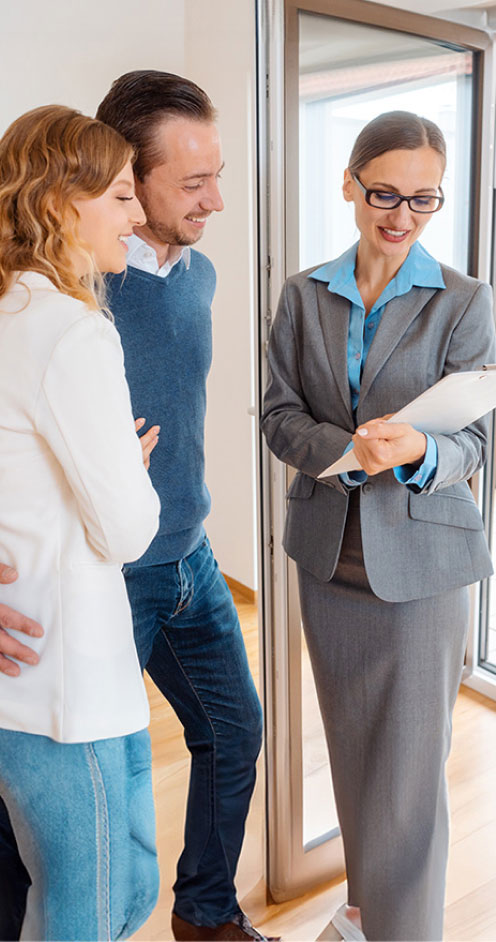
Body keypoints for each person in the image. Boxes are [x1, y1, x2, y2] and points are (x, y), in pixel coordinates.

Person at [0, 72, 270, 942]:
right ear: (124, 178)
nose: (215, 201)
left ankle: (207, 912)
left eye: (217, 175)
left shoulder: (200, 277)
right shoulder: (69, 298)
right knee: (62, 833)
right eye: (191, 183)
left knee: (232, 735)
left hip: (187, 554)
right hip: (105, 575)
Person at [261, 111, 495, 942]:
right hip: (330, 563)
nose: (401, 216)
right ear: (351, 184)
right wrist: (349, 452)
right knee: (357, 757)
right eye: (385, 193)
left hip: (422, 564)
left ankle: (405, 931)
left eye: (423, 200)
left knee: (408, 779)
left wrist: (420, 447)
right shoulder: (302, 294)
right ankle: (365, 913)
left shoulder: (464, 300)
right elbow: (279, 416)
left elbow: (474, 439)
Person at [0, 104, 161, 940]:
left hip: (49, 677)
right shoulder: (71, 330)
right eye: (123, 196)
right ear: (64, 199)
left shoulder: (14, 312)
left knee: (122, 886)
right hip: (61, 684)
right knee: (90, 910)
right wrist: (129, 471)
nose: (138, 218)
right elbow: (129, 531)